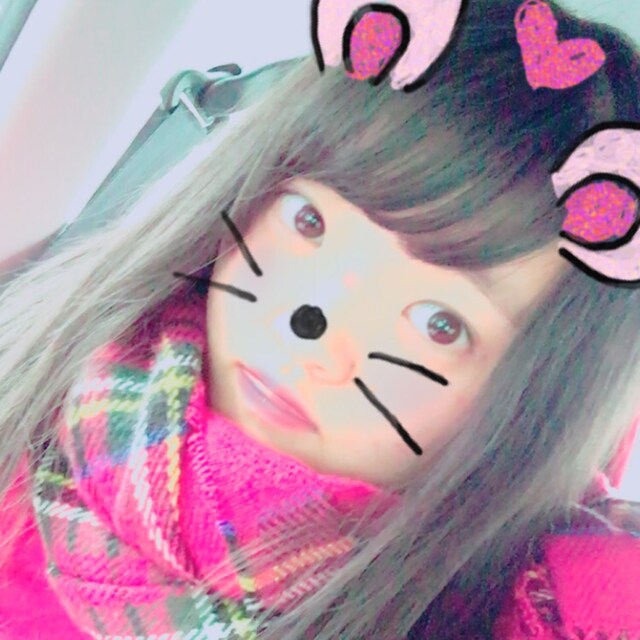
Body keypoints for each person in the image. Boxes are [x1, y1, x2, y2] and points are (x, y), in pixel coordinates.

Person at [0, 0, 638, 638]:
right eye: (307, 221)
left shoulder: (543, 604)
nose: (305, 333)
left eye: (438, 323)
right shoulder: (47, 377)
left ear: (533, 406)